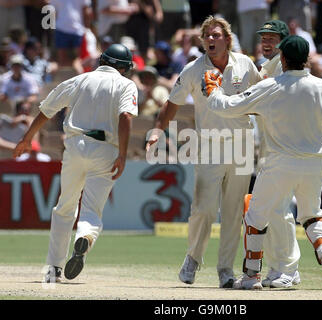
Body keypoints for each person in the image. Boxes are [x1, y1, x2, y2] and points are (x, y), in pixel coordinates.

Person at [202, 35, 322, 290]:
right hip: (316, 163)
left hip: (281, 161)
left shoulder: (272, 86)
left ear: (283, 58)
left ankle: (251, 276)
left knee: (255, 216)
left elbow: (228, 106)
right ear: (307, 59)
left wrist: (213, 91)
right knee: (312, 215)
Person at [146, 15, 261, 288]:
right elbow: (171, 104)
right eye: (207, 35)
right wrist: (157, 130)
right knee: (204, 209)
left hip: (242, 146)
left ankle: (225, 270)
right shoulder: (193, 69)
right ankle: (193, 258)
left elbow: (262, 96)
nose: (211, 39)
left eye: (216, 35)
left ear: (228, 40)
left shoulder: (245, 64)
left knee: (234, 212)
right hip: (209, 145)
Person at [13, 44, 138, 283]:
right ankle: (86, 236)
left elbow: (47, 109)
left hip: (75, 145)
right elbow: (125, 117)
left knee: (64, 207)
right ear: (124, 67)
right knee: (92, 210)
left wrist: (27, 138)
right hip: (106, 149)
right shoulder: (126, 84)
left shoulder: (80, 79)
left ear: (102, 60)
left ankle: (53, 268)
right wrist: (122, 154)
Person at [251, 19, 301, 288]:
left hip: (283, 150)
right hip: (269, 149)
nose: (266, 42)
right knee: (272, 210)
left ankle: (288, 270)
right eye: (264, 37)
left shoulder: (283, 68)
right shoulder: (266, 67)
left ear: (283, 41)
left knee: (280, 210)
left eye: (272, 37)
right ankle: (278, 268)